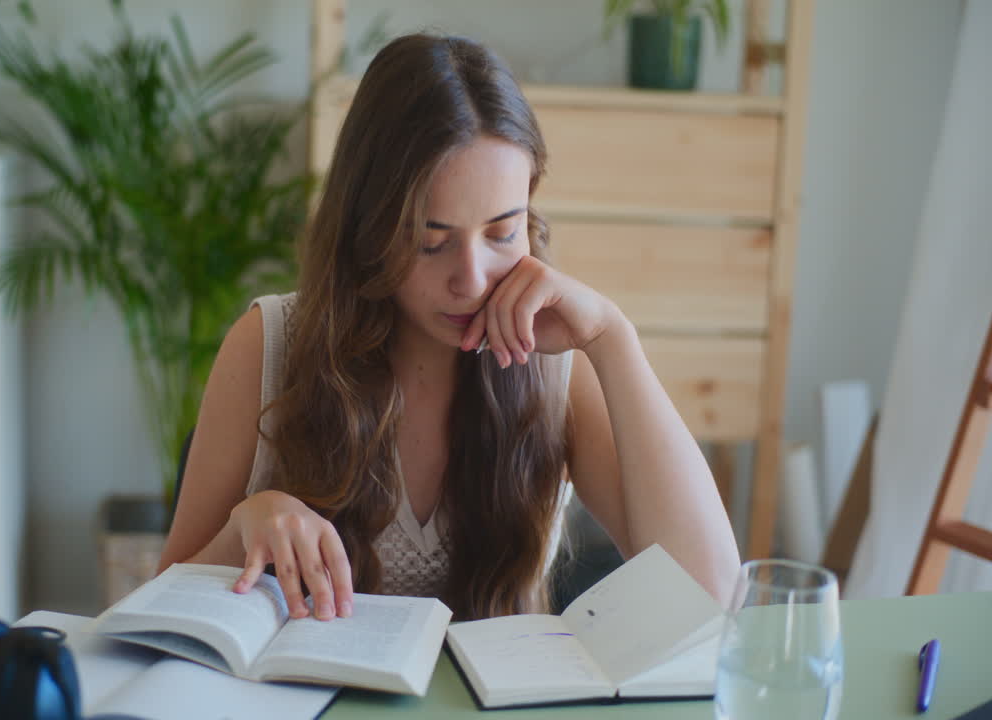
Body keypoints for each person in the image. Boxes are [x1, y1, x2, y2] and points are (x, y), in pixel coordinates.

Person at [158, 33, 739, 623]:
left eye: (501, 233)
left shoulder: (559, 363)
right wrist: (247, 524)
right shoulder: (268, 345)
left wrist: (613, 339)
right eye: (429, 242)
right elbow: (153, 609)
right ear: (370, 229)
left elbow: (708, 591)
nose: (472, 279)